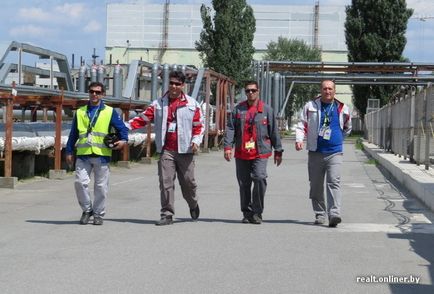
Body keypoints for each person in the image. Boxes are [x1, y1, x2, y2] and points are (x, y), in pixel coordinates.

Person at [127, 71, 204, 226]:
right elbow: (142, 119)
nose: (174, 86)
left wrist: (196, 140)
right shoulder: (158, 104)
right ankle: (167, 214)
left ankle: (193, 203)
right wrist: (124, 127)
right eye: (171, 83)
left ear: (183, 86)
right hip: (166, 150)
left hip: (186, 150)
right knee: (165, 182)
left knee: (188, 183)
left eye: (177, 84)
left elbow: (199, 125)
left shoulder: (192, 104)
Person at [66, 81, 129, 225]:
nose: (94, 94)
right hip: (83, 154)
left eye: (98, 92)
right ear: (89, 93)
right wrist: (69, 150)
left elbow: (123, 129)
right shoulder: (80, 112)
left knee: (101, 187)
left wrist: (123, 141)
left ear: (103, 94)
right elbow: (73, 133)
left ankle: (99, 214)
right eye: (92, 91)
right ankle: (87, 210)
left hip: (102, 155)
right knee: (80, 183)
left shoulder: (109, 111)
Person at [224, 80, 283, 224]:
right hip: (242, 152)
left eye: (253, 90)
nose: (250, 93)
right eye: (248, 91)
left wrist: (278, 150)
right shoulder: (238, 110)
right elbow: (231, 128)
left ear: (258, 91)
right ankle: (247, 212)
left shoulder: (266, 110)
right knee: (244, 183)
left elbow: (274, 131)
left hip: (260, 152)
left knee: (259, 178)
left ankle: (257, 212)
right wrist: (227, 147)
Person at [295, 80, 352, 227]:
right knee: (316, 185)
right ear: (321, 90)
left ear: (335, 90)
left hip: (335, 152)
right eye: (325, 89)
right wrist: (299, 139)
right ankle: (320, 214)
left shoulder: (342, 108)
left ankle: (334, 214)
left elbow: (347, 127)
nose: (327, 91)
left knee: (334, 182)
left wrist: (337, 140)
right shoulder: (310, 106)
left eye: (330, 89)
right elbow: (302, 124)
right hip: (315, 152)